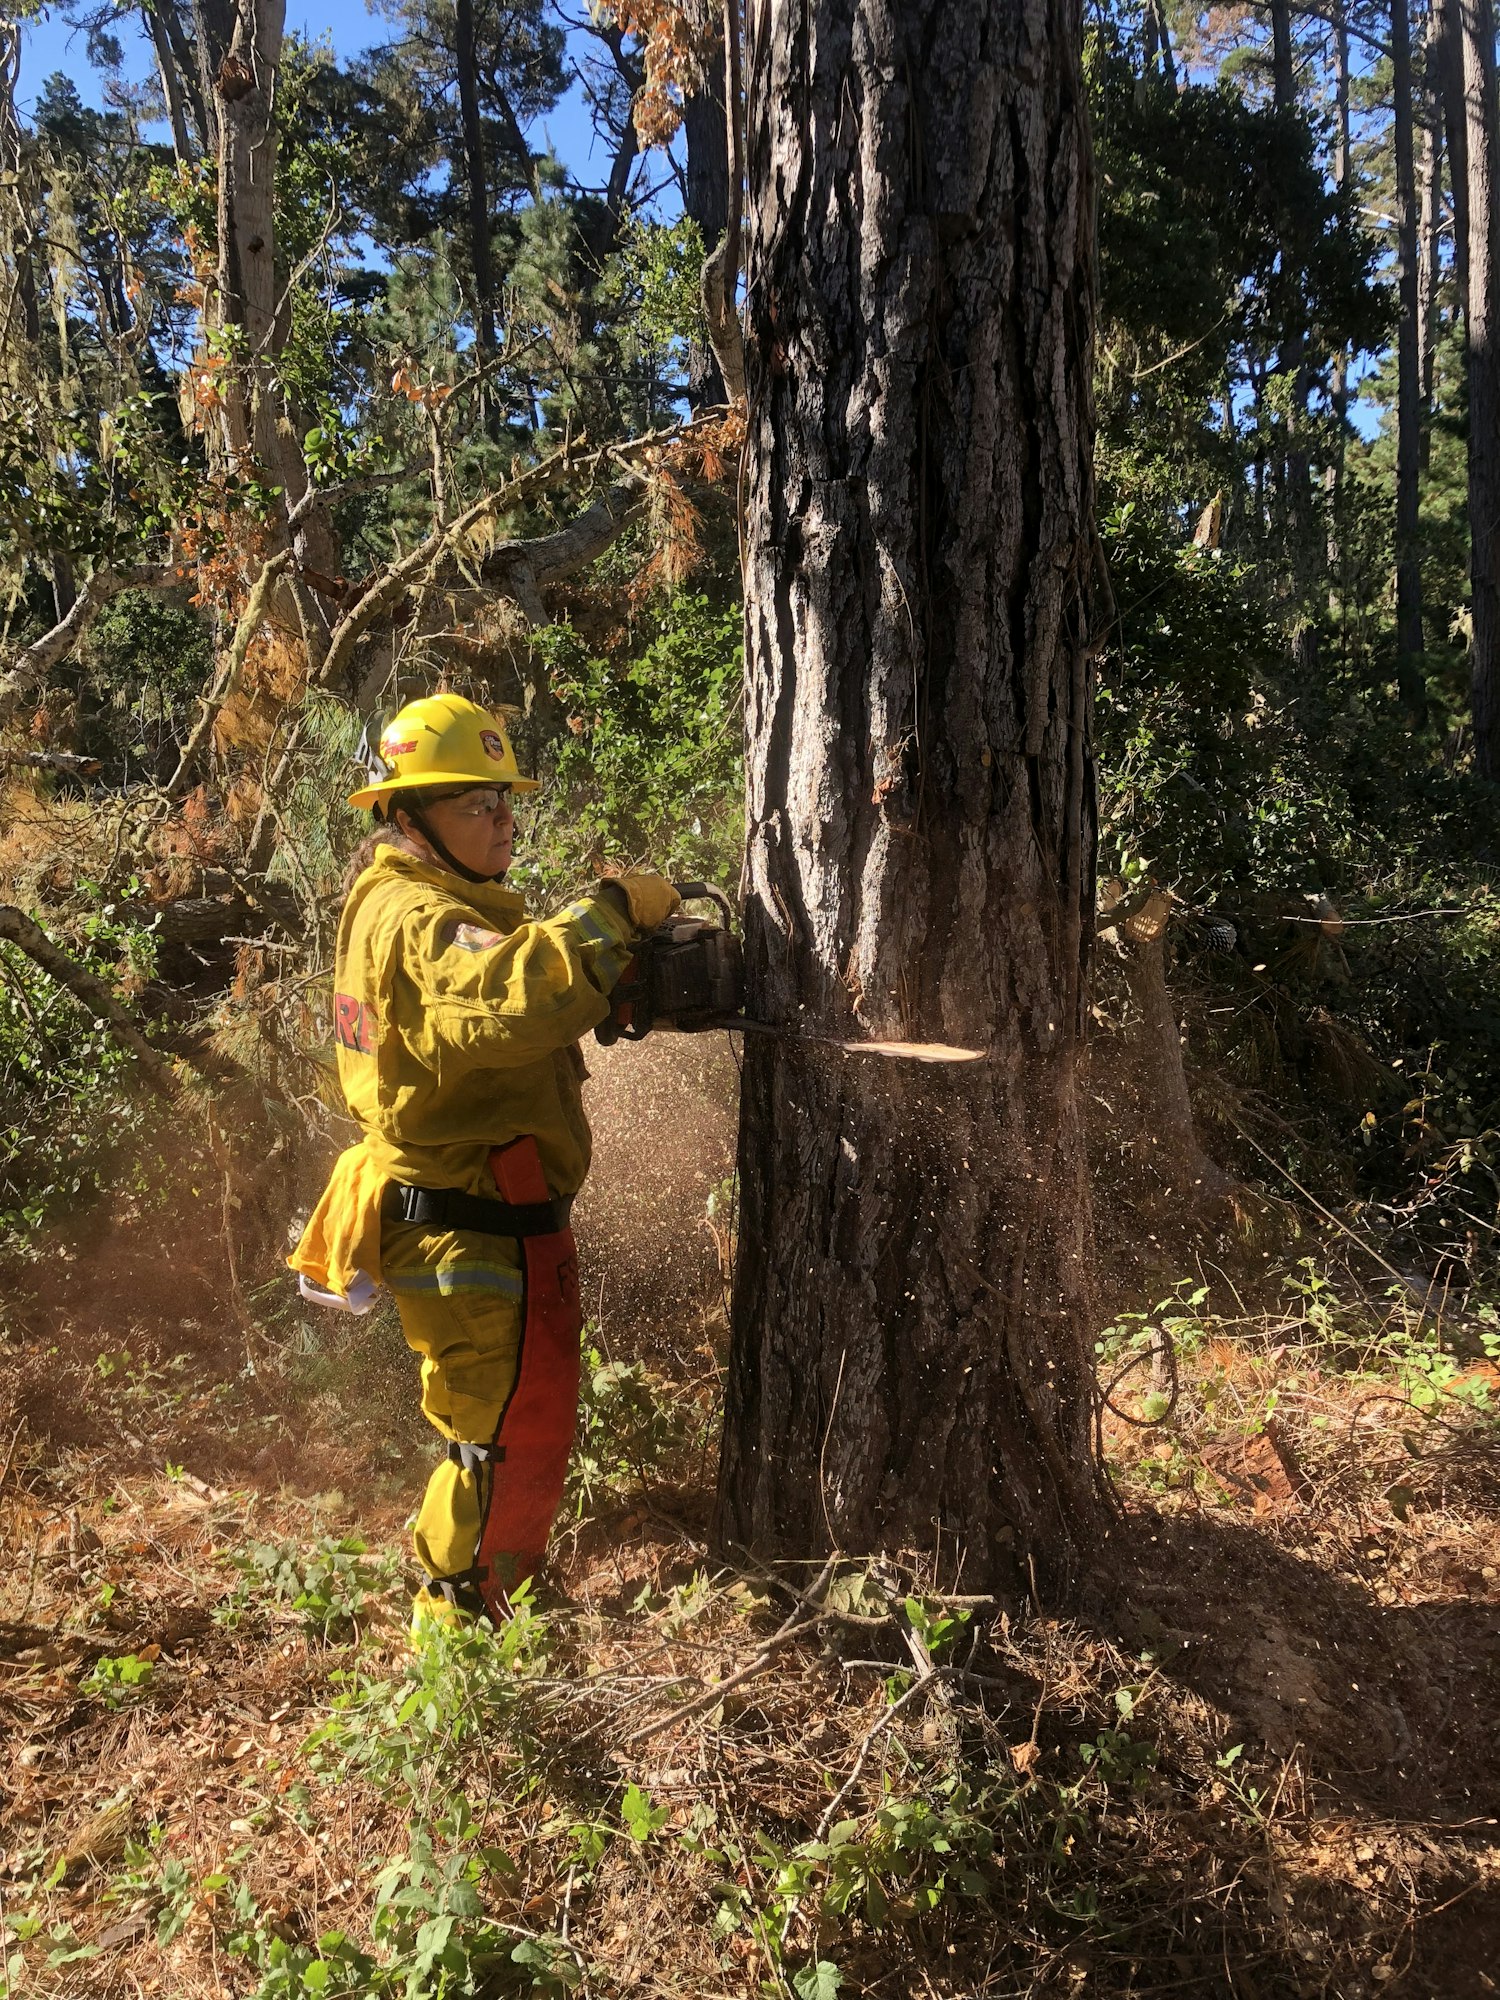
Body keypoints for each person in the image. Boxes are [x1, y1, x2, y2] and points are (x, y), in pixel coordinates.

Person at [289, 692, 678, 1634]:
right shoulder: (415, 915)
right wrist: (613, 911)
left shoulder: (432, 906)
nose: (503, 821)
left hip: (487, 1213)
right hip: (468, 1219)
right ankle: (459, 1639)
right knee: (493, 1440)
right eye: (476, 804)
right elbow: (514, 996)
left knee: (512, 1426)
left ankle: (496, 1604)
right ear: (406, 816)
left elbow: (490, 1025)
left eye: (506, 800)